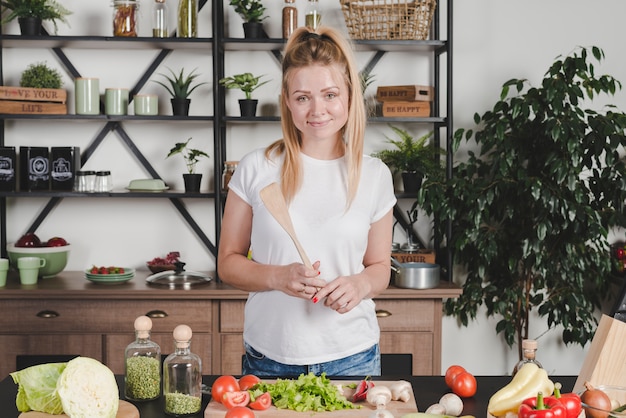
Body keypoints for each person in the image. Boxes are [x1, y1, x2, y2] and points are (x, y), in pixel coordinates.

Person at [217, 25, 396, 377]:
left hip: (353, 357)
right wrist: (277, 277)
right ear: (287, 100)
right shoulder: (257, 168)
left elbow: (379, 267)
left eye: (330, 94)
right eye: (303, 97)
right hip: (270, 356)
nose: (318, 109)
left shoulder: (375, 175)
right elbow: (228, 263)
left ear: (348, 96)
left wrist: (359, 284)